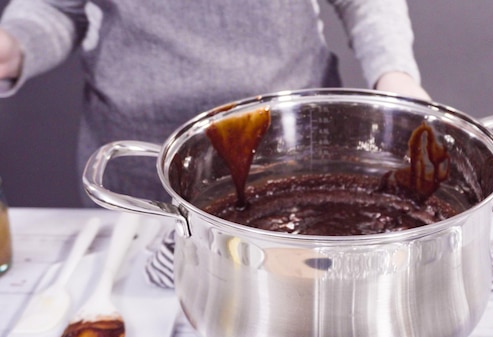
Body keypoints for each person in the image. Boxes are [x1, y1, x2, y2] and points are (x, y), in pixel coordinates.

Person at [0, 0, 430, 205]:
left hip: (292, 150)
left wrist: (394, 73)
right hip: (140, 159)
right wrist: (15, 43)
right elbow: (55, 7)